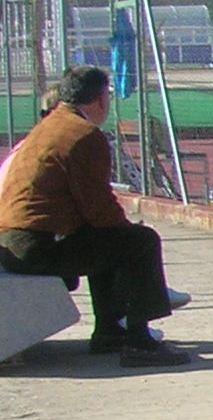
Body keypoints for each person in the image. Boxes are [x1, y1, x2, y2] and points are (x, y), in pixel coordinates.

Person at [0, 66, 194, 366]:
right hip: (35, 247)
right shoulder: (84, 134)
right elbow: (99, 208)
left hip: (13, 243)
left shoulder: (49, 127)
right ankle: (140, 342)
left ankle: (110, 331)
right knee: (140, 241)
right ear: (101, 100)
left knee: (105, 241)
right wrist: (126, 229)